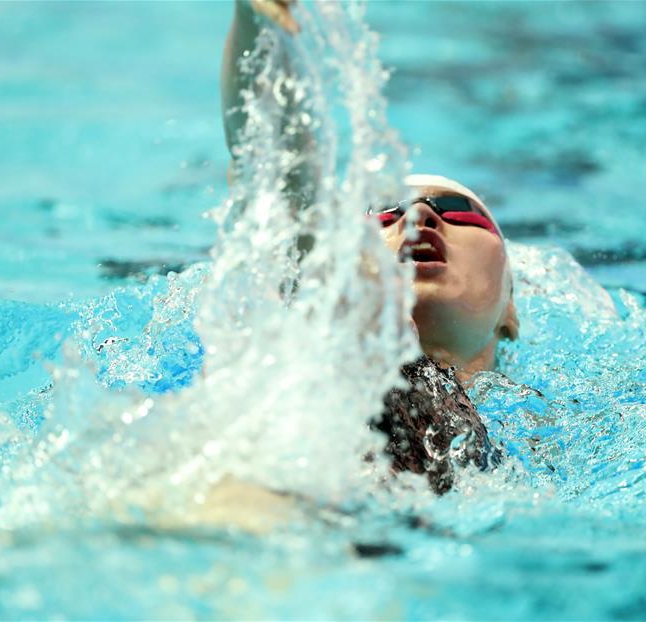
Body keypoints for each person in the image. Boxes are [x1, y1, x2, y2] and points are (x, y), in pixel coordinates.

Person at [221, 0, 519, 493]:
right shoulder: (340, 338)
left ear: (511, 306)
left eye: (455, 209)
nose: (419, 217)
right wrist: (258, 20)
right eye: (384, 212)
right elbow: (284, 174)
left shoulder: (564, 430)